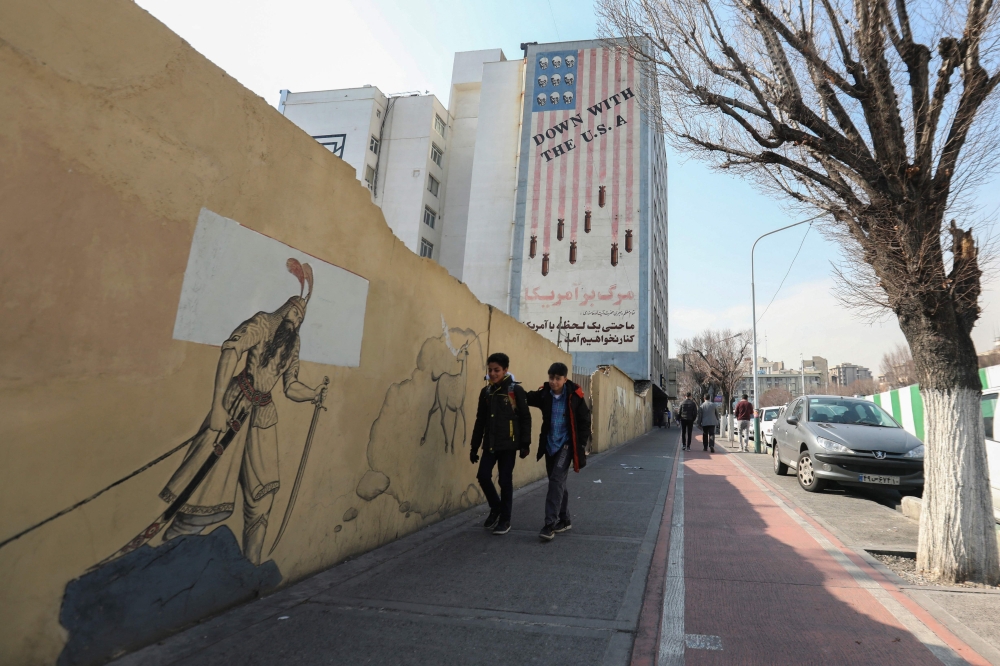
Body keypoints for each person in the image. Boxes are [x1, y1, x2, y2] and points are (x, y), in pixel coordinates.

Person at [526, 362, 592, 541]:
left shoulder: (574, 396)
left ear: (565, 379)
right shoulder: (544, 394)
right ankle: (565, 519)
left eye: (557, 379)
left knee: (556, 481)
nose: (554, 382)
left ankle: (549, 524)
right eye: (551, 378)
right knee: (557, 482)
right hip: (550, 446)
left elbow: (585, 422)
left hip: (566, 446)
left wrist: (580, 446)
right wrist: (512, 389)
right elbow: (527, 397)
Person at [470, 352, 532, 535]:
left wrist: (525, 444)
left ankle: (505, 520)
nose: (493, 374)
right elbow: (480, 420)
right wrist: (474, 447)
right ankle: (496, 507)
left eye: (497, 370)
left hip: (509, 445)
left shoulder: (515, 391)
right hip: (490, 443)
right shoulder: (486, 392)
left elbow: (525, 418)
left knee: (505, 481)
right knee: (483, 476)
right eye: (490, 370)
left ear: (505, 370)